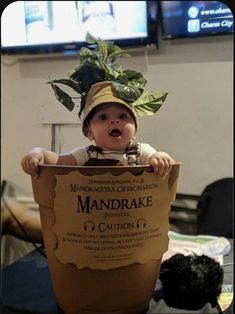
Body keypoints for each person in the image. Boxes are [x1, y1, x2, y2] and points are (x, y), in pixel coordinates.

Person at [21, 81, 174, 178]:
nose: (114, 120)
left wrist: (160, 157)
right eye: (103, 117)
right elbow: (59, 161)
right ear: (89, 131)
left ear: (135, 128)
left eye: (123, 115)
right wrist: (38, 152)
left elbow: (159, 159)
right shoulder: (87, 154)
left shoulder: (140, 152)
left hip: (130, 221)